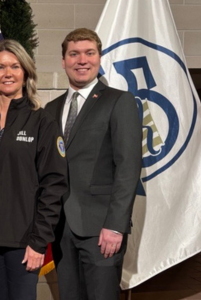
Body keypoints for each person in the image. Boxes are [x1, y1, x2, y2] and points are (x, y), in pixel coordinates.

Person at [0, 39, 68, 300]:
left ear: (25, 73)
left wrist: (38, 241)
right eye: (0, 67)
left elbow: (53, 185)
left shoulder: (42, 121)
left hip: (23, 233)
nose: (7, 73)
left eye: (15, 66)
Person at [45, 28, 142, 300]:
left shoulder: (119, 101)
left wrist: (115, 225)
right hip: (60, 228)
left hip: (102, 230)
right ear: (63, 61)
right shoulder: (50, 109)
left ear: (99, 58)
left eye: (89, 53)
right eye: (73, 54)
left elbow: (128, 166)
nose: (82, 60)